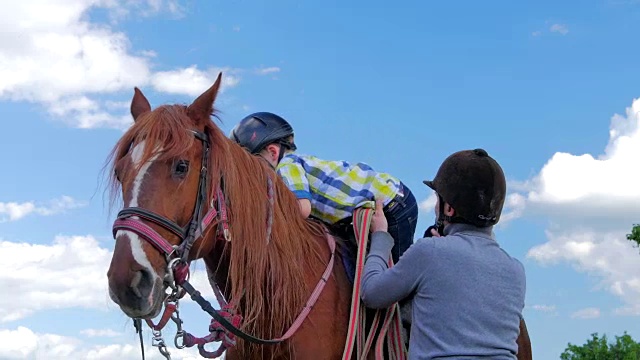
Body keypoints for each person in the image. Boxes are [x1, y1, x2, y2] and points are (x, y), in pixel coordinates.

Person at [361, 148, 526, 359]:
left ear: (449, 209)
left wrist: (380, 236)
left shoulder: (429, 252)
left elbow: (372, 294)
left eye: (438, 200)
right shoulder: (516, 270)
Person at [229, 111, 418, 264]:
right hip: (367, 210)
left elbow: (302, 209)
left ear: (272, 152)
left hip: (394, 203)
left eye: (254, 166)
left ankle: (410, 307)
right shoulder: (292, 167)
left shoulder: (286, 166)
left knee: (397, 272)